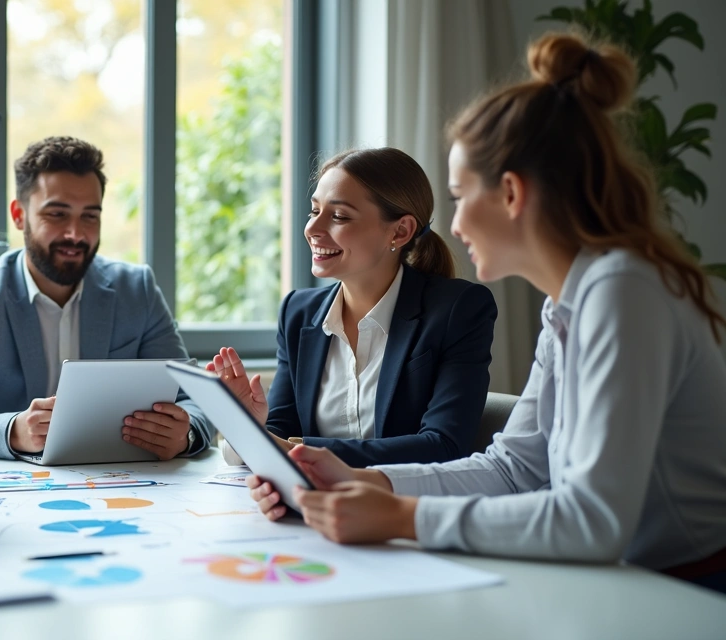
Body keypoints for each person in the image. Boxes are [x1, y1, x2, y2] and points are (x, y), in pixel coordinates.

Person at [248, 33, 726, 592]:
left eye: (457, 196)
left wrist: (403, 516)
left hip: (688, 593)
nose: (451, 226)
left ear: (511, 194)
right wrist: (366, 480)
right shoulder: (570, 303)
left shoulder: (622, 295)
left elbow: (593, 521)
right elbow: (513, 470)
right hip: (625, 583)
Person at [0, 136, 213, 460]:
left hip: (122, 481)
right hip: (16, 485)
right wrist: (14, 430)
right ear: (19, 215)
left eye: (90, 216)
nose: (75, 234)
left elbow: (193, 399)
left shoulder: (137, 290)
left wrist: (185, 435)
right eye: (57, 214)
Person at [209, 147, 497, 468]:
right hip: (311, 506)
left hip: (405, 509)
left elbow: (443, 446)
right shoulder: (298, 312)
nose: (313, 229)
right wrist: (248, 426)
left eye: (339, 216)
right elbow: (282, 432)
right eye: (314, 210)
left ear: (400, 231)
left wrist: (294, 449)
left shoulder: (459, 309)